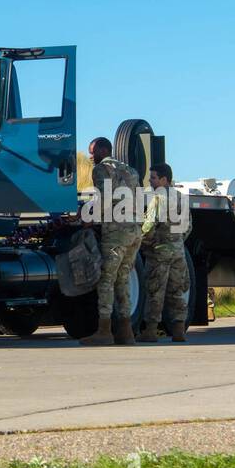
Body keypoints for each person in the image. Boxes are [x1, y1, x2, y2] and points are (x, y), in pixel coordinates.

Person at [79, 137, 142, 346]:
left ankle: (104, 331)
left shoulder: (101, 170)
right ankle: (126, 332)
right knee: (123, 279)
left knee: (106, 279)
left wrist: (85, 218)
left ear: (104, 150)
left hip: (115, 231)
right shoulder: (131, 171)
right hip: (134, 230)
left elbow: (102, 199)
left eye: (93, 151)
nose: (90, 156)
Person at [138, 163, 191, 343]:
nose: (150, 181)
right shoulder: (181, 198)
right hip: (178, 252)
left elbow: (149, 225)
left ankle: (151, 331)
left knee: (155, 291)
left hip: (159, 252)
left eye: (153, 177)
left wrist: (143, 243)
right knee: (176, 291)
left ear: (164, 179)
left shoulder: (158, 198)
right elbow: (188, 226)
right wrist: (176, 241)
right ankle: (179, 330)